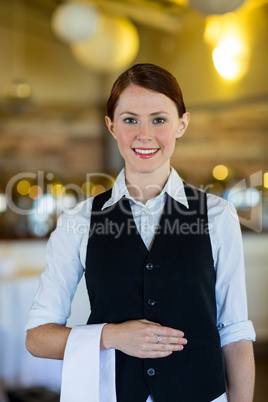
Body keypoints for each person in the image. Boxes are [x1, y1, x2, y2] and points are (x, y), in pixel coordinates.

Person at [25, 63, 256, 402]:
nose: (144, 134)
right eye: (130, 119)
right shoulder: (78, 220)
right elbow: (37, 338)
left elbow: (234, 332)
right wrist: (112, 336)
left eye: (159, 119)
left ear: (182, 124)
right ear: (111, 126)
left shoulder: (219, 216)